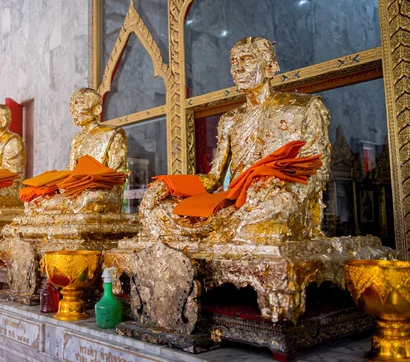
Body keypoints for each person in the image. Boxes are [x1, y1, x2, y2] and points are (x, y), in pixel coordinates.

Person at [140, 37, 331, 243]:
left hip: (278, 199)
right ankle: (230, 229)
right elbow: (214, 179)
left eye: (247, 60)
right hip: (235, 201)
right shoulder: (230, 120)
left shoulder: (303, 107)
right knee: (157, 210)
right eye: (234, 62)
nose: (237, 69)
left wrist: (278, 188)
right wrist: (169, 186)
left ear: (271, 68)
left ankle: (235, 227)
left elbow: (318, 170)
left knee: (275, 208)